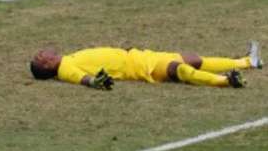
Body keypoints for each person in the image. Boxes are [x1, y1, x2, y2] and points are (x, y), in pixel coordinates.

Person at [29, 42, 262, 89]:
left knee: (193, 59)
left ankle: (247, 62)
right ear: (48, 66)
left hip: (140, 57)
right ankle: (226, 80)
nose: (41, 52)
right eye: (39, 57)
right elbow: (82, 79)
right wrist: (94, 82)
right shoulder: (65, 69)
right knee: (178, 70)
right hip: (140, 68)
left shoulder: (68, 60)